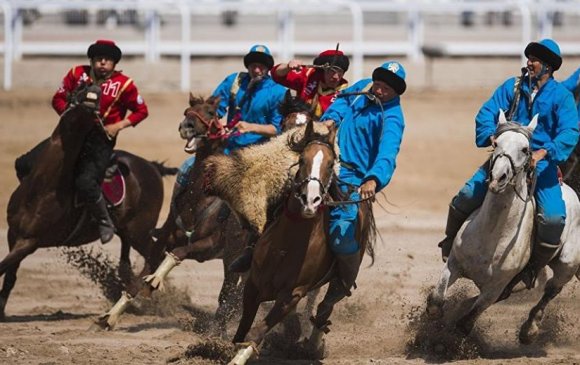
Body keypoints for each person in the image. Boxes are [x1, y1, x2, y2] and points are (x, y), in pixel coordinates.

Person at [437, 39, 579, 294]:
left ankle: (531, 268)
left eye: (535, 59)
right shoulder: (511, 87)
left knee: (554, 218)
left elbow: (570, 131)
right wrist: (491, 135)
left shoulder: (562, 97)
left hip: (541, 167)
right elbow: (486, 112)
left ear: (548, 67)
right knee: (466, 195)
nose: (529, 63)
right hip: (505, 159)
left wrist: (546, 152)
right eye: (529, 58)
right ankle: (450, 243)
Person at [15, 39, 149, 244]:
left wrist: (118, 126)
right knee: (24, 163)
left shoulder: (125, 84)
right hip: (68, 137)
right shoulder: (76, 74)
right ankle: (33, 204)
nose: (102, 63)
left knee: (86, 182)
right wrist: (68, 115)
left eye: (107, 60)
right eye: (98, 59)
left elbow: (142, 111)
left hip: (99, 141)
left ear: (114, 63)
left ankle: (104, 221)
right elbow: (57, 98)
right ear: (92, 60)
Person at [318, 61, 407, 299]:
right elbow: (342, 103)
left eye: (385, 89)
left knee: (341, 235)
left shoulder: (393, 118)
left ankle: (343, 282)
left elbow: (387, 153)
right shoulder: (361, 88)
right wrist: (330, 119)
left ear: (395, 92)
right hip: (326, 161)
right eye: (377, 84)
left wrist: (373, 180)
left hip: (353, 178)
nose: (378, 91)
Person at [271, 49, 349, 119]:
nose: (336, 77)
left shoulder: (345, 93)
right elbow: (277, 75)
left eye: (340, 72)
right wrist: (288, 66)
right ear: (322, 71)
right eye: (332, 71)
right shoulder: (308, 76)